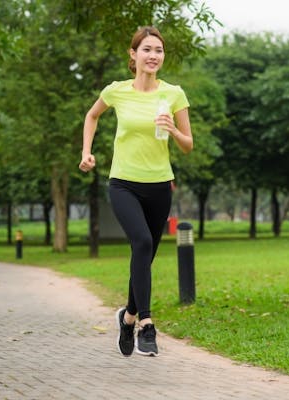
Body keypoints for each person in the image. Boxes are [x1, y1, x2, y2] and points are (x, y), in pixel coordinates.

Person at [79, 26, 193, 357]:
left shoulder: (173, 94)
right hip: (123, 183)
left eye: (158, 50)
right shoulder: (117, 91)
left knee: (145, 256)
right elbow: (92, 115)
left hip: (159, 185)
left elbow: (188, 145)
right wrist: (86, 152)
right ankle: (146, 322)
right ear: (134, 54)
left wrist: (173, 130)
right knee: (141, 243)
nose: (153, 55)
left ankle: (126, 316)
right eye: (146, 49)